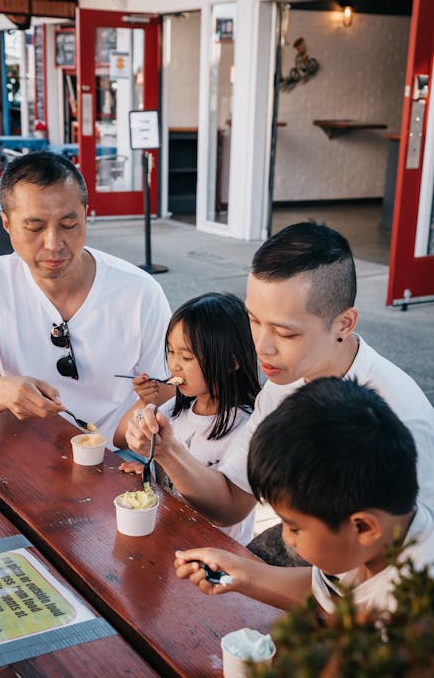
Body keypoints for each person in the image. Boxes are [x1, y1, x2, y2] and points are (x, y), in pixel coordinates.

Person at [126, 222, 434, 549]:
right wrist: (167, 451)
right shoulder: (283, 383)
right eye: (254, 320)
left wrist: (255, 577)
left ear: (343, 324)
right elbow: (231, 501)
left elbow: (404, 574)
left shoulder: (399, 419)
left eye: (286, 333)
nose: (262, 347)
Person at [0, 151, 171, 447]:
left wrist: (127, 438)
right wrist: (3, 391)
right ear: (7, 224)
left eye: (68, 225)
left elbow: (167, 392)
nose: (53, 243)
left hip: (120, 453)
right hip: (29, 450)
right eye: (34, 227)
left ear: (86, 213)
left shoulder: (140, 292)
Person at [174, 377, 434, 615]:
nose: (285, 537)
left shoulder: (414, 610)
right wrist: (241, 573)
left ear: (363, 527)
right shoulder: (375, 539)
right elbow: (327, 596)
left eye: (294, 527)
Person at [117, 293, 261, 544]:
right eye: (171, 352)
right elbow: (163, 478)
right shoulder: (174, 409)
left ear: (230, 362)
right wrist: (150, 473)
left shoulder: (248, 426)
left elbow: (224, 512)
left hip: (219, 550)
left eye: (187, 357)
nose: (174, 365)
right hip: (171, 534)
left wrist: (165, 453)